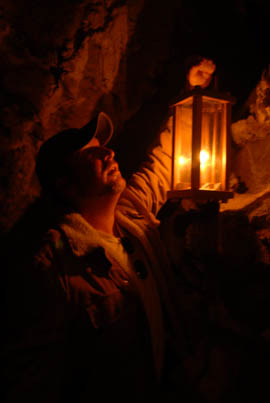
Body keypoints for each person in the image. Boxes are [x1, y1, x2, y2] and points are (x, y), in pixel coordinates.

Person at [3, 58, 216, 403]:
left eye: (104, 146)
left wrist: (192, 94)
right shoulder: (53, 268)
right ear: (66, 186)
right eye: (92, 156)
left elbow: (163, 162)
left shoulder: (131, 215)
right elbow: (30, 377)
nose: (109, 152)